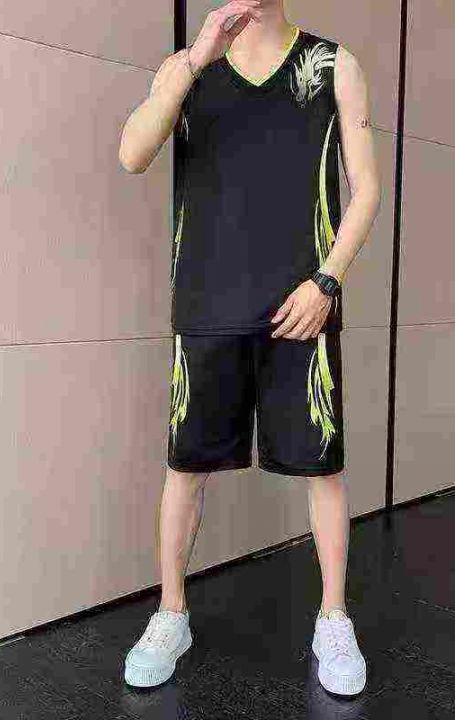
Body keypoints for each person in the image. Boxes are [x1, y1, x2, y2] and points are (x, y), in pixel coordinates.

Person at [118, 0, 381, 697]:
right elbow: (133, 154)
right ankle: (171, 614)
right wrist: (193, 61)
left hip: (303, 306)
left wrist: (328, 280)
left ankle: (333, 617)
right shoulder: (189, 68)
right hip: (206, 304)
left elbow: (366, 190)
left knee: (323, 468)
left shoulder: (331, 65)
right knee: (185, 468)